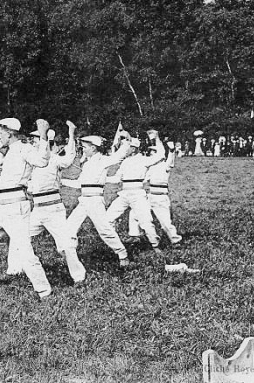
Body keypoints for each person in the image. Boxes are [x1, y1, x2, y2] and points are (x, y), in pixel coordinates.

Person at [0, 118, 53, 299]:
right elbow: (4, 186)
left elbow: (42, 161)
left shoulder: (24, 148)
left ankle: (44, 290)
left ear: (10, 133)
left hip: (15, 208)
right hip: (3, 207)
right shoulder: (10, 153)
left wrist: (44, 135)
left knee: (24, 250)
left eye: (1, 133)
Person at [25, 120, 86, 285]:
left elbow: (70, 157)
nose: (32, 142)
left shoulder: (54, 159)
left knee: (65, 245)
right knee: (21, 238)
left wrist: (71, 134)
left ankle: (79, 276)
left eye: (36, 139)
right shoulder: (31, 160)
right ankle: (15, 269)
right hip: (37, 209)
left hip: (53, 209)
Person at [63, 133, 131, 267]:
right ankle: (70, 254)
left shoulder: (102, 160)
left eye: (85, 147)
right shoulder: (87, 164)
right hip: (84, 201)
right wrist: (61, 181)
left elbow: (118, 157)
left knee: (105, 230)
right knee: (69, 227)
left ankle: (122, 254)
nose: (83, 150)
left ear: (94, 148)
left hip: (95, 201)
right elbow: (79, 184)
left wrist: (126, 143)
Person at [104, 132, 166, 253]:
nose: (124, 149)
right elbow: (117, 179)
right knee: (108, 218)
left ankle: (155, 245)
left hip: (138, 195)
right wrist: (101, 179)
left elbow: (161, 154)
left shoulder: (144, 160)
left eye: (127, 147)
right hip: (124, 194)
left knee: (146, 222)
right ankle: (114, 244)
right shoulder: (125, 162)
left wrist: (157, 138)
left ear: (133, 149)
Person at [126, 140, 183, 246]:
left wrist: (171, 151)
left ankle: (175, 240)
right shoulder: (150, 167)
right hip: (149, 195)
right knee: (134, 213)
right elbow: (142, 179)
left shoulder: (165, 165)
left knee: (165, 222)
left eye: (154, 152)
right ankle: (134, 236)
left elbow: (171, 161)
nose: (151, 154)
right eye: (151, 152)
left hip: (160, 197)